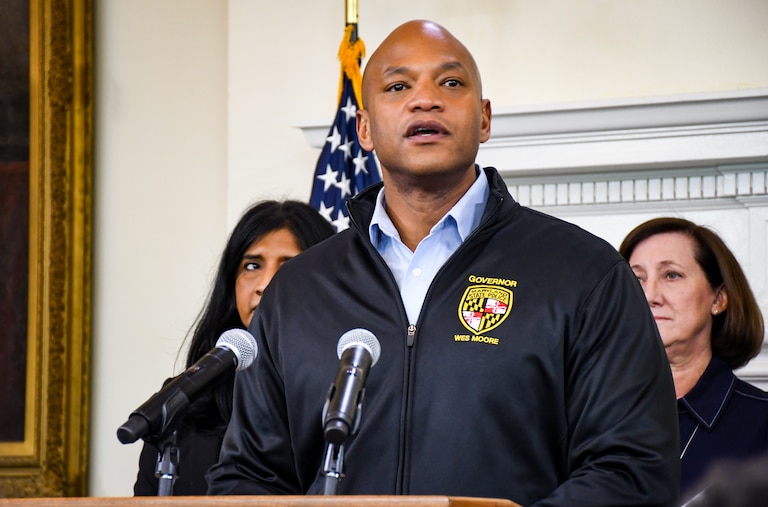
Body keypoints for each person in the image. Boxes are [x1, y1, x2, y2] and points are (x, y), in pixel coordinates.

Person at [206, 20, 680, 506]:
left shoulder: (584, 272)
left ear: (484, 119)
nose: (425, 99)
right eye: (398, 86)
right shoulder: (299, 289)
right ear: (365, 129)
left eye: (451, 83)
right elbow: (249, 475)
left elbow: (633, 469)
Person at [133, 200, 334, 496]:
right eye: (252, 266)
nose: (265, 284)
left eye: (289, 266)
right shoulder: (182, 406)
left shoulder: (347, 401)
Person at [619, 217, 768, 500]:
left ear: (718, 298)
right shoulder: (584, 413)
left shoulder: (762, 424)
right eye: (636, 278)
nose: (649, 295)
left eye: (671, 275)